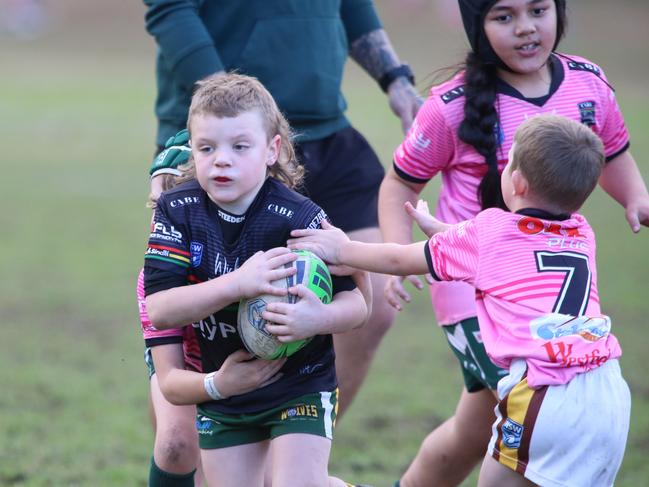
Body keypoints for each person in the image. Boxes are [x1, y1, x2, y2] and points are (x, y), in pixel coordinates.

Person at [376, 0, 649, 484]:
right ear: (477, 26)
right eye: (504, 17)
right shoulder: (449, 105)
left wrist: (636, 198)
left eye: (538, 10)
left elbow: (614, 153)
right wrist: (398, 258)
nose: (526, 28)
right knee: (520, 411)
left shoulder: (588, 83)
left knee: (474, 426)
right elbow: (400, 183)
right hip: (468, 288)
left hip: (544, 293)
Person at [289, 113, 632, 487]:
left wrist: (342, 248)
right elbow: (521, 247)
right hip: (607, 392)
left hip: (544, 391)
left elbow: (397, 259)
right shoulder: (582, 233)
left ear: (515, 181)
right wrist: (449, 235)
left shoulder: (489, 231)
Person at [142, 0, 423, 417]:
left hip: (327, 131)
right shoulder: (221, 148)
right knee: (190, 386)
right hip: (223, 140)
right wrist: (231, 128)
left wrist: (396, 81)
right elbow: (172, 9)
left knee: (376, 300)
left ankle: (299, 439)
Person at [144, 73, 368, 487]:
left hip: (299, 384)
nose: (221, 159)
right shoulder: (176, 211)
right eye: (207, 148)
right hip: (226, 395)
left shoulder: (299, 219)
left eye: (239, 146)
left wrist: (316, 320)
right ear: (191, 149)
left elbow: (358, 305)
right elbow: (159, 310)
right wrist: (239, 284)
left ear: (272, 150)